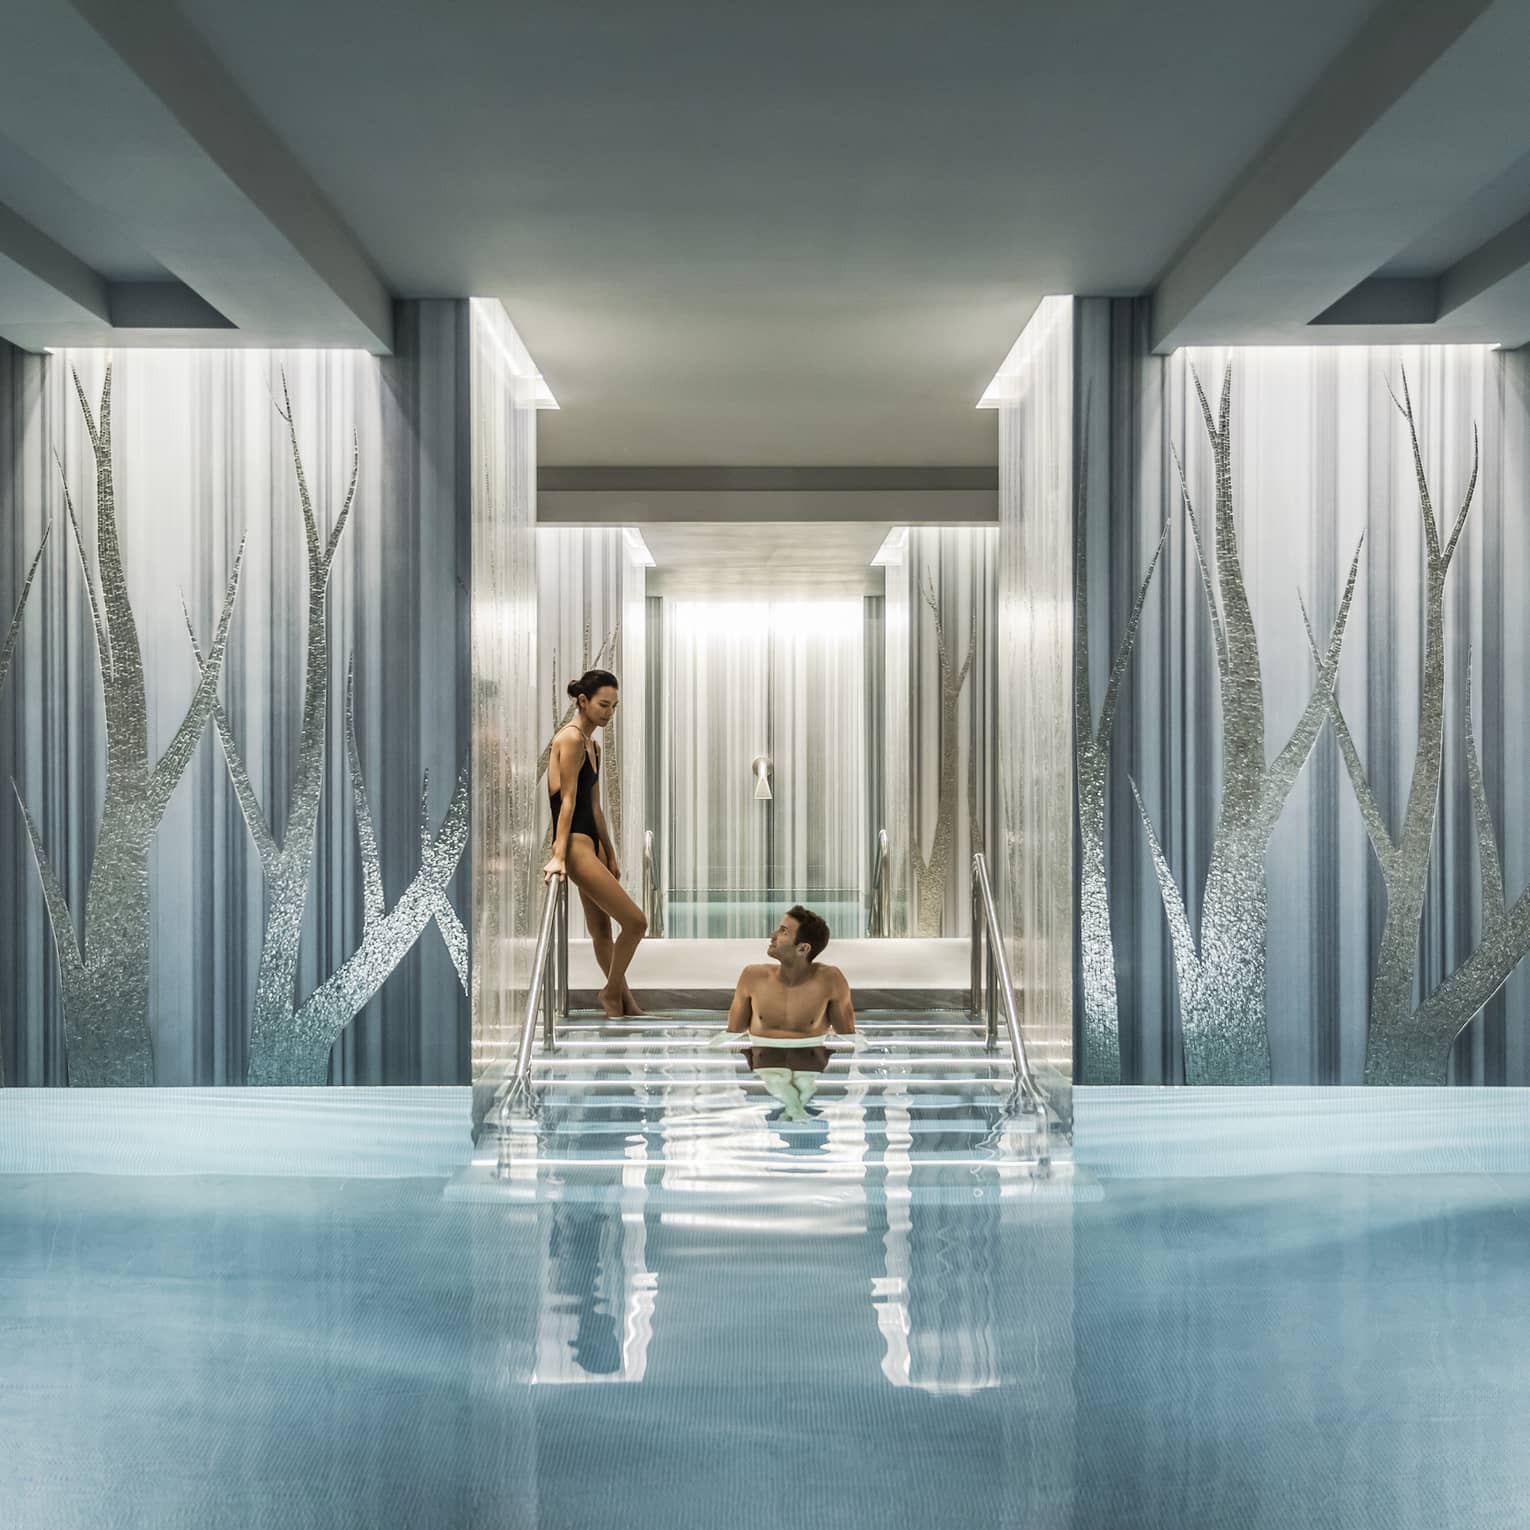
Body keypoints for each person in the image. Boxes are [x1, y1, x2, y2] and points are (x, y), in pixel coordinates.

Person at [543, 668, 646, 1018]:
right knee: (636, 923)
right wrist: (559, 856)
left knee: (602, 931)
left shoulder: (593, 745)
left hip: (593, 845)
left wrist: (611, 852)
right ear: (583, 701)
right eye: (604, 705)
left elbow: (596, 807)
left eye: (614, 707)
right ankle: (611, 991)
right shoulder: (569, 739)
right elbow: (567, 801)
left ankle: (624, 1003)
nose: (609, 713)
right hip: (574, 845)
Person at [725, 905, 855, 1120]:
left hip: (808, 1054)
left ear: (803, 948)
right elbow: (734, 1030)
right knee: (777, 1078)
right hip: (765, 1053)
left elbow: (847, 1033)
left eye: (783, 931)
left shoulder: (830, 979)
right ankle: (796, 1110)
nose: (773, 935)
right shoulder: (753, 976)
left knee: (803, 1081)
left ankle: (793, 1109)